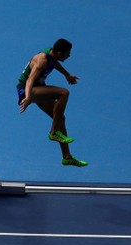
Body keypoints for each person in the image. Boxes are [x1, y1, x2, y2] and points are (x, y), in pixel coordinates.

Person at [17, 38, 86, 167]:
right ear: (59, 54)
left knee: (60, 117)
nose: (69, 56)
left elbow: (55, 63)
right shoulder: (41, 60)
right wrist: (28, 97)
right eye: (67, 54)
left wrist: (67, 74)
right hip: (28, 90)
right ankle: (53, 132)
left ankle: (67, 157)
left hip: (38, 88)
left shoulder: (53, 55)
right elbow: (29, 80)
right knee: (64, 93)